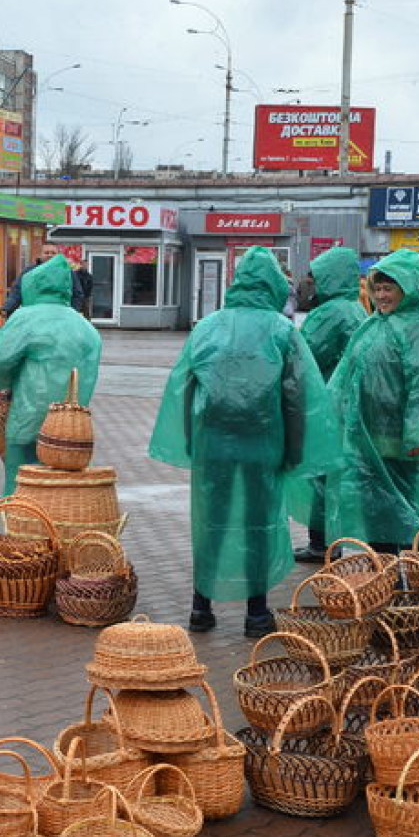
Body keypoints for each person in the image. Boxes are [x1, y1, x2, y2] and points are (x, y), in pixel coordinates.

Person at [149, 246, 337, 638]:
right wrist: (296, 449)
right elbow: (297, 396)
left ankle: (201, 607)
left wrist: (188, 437)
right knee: (259, 522)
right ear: (271, 285)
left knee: (210, 521)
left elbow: (184, 387)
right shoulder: (282, 330)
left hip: (212, 442)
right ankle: (256, 613)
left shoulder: (208, 326)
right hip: (261, 443)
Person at [323, 248, 419, 554]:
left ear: (406, 288)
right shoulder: (373, 325)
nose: (382, 296)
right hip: (366, 439)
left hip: (402, 443)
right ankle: (383, 578)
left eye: (389, 288)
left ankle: (404, 579)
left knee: (401, 510)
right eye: (378, 288)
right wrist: (330, 417)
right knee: (373, 511)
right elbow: (346, 375)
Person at [0, 255, 102, 494]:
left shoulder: (25, 318)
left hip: (28, 412)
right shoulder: (85, 327)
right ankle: (55, 523)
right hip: (69, 422)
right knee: (60, 481)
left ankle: (21, 521)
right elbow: (89, 373)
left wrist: (1, 385)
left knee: (21, 479)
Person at [288, 245, 369, 563]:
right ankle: (332, 542)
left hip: (324, 406)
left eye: (316, 277)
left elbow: (303, 354)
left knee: (320, 478)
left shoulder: (330, 313)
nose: (311, 283)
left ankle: (322, 545)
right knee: (334, 479)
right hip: (345, 407)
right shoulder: (355, 308)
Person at [0, 243, 85, 318]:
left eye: (53, 253)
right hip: (34, 316)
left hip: (59, 317)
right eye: (46, 252)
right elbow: (17, 291)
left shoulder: (67, 273)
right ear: (40, 254)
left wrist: (72, 312)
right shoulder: (29, 272)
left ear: (58, 255)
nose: (50, 255)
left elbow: (77, 294)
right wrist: (7, 308)